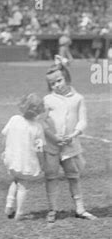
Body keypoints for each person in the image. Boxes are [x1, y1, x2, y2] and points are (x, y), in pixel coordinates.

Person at [42, 63, 96, 223]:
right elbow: (42, 122)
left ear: (66, 78)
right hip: (51, 146)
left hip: (70, 146)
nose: (56, 85)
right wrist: (53, 137)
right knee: (51, 177)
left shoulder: (78, 98)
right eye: (52, 83)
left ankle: (80, 208)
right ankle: (52, 209)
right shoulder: (48, 99)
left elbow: (82, 121)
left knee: (74, 176)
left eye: (59, 81)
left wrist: (74, 134)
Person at [2, 93, 45, 221]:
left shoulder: (14, 119)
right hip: (25, 162)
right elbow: (39, 149)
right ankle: (19, 212)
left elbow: (4, 137)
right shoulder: (37, 127)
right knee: (23, 185)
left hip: (11, 159)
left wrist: (4, 151)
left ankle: (9, 206)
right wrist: (42, 163)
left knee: (16, 180)